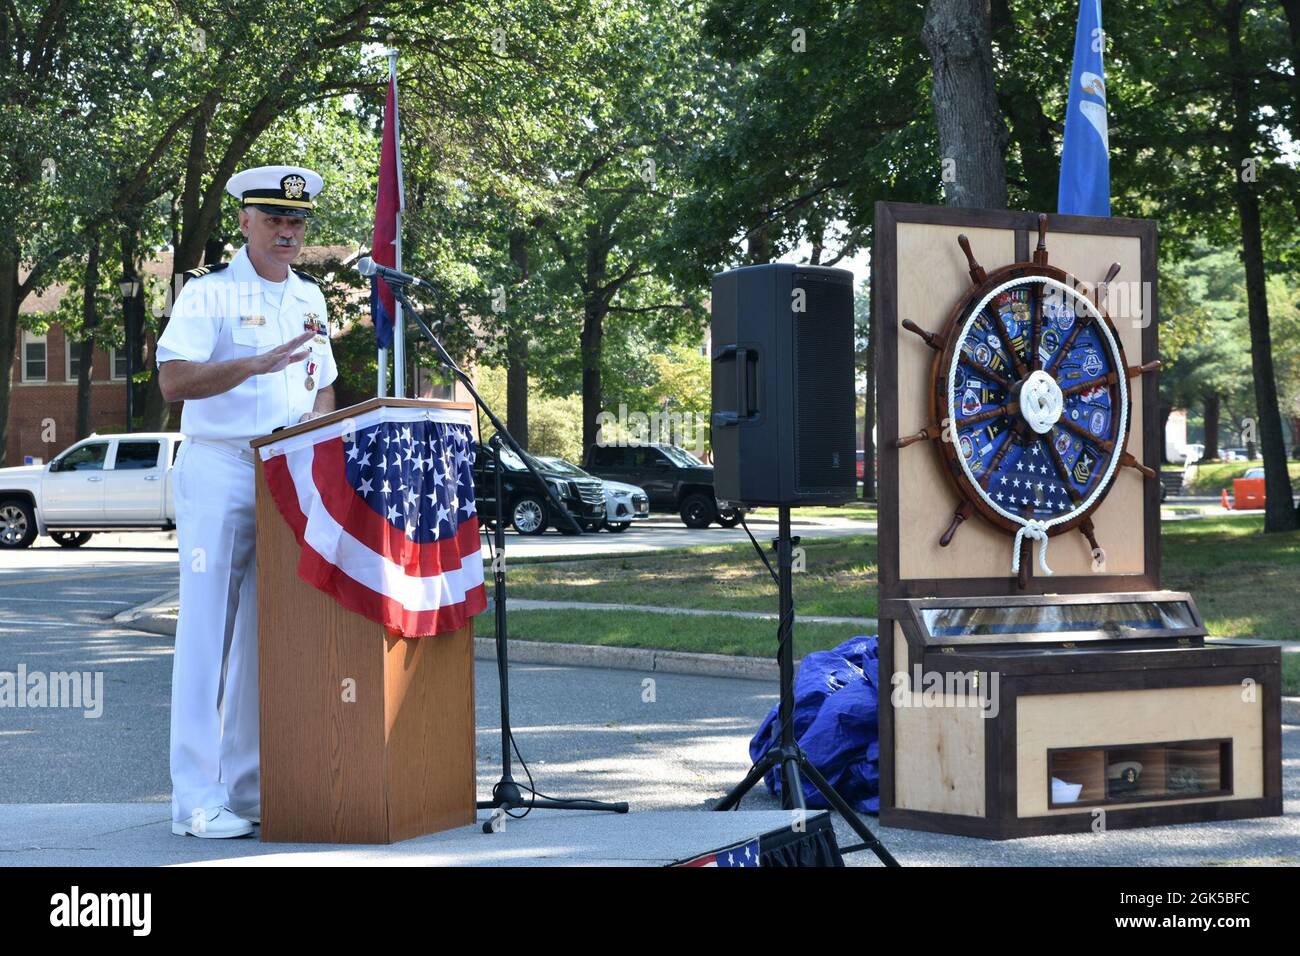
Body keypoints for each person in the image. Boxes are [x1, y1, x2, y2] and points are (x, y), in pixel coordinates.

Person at [156, 165, 338, 837]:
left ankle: (249, 788)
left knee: (265, 635)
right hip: (221, 467)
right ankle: (193, 800)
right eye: (274, 220)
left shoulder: (311, 298)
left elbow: (323, 386)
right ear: (244, 222)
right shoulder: (209, 295)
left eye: (296, 222)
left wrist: (315, 439)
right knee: (206, 635)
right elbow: (173, 381)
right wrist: (253, 366)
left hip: (284, 473)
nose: (287, 232)